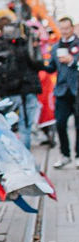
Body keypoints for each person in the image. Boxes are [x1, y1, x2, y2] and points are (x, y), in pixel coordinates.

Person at [0, 16, 45, 150]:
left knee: (7, 128)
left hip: (9, 92)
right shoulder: (24, 43)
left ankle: (15, 156)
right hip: (26, 89)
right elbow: (38, 64)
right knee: (25, 128)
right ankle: (24, 157)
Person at [46, 16, 79, 168]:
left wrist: (72, 61)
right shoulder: (55, 47)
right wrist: (37, 63)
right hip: (62, 91)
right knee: (60, 123)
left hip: (76, 90)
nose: (64, 31)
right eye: (62, 29)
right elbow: (51, 67)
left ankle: (78, 155)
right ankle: (65, 154)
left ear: (72, 28)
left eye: (67, 28)